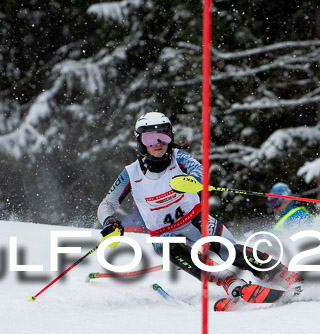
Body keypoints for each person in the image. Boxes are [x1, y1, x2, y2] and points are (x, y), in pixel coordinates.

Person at [97, 111, 300, 297]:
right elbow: (107, 204)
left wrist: (192, 182)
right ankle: (232, 284)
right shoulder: (131, 173)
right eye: (150, 138)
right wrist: (109, 223)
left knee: (231, 252)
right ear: (140, 142)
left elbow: (200, 173)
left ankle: (286, 276)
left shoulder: (181, 158)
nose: (158, 143)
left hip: (196, 222)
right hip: (163, 235)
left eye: (163, 136)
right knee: (171, 245)